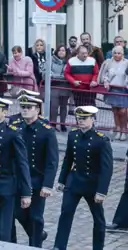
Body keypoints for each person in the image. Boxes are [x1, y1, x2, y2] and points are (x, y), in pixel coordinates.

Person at [53, 105, 114, 250]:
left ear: (92, 120)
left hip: (92, 184)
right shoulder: (73, 135)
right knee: (65, 213)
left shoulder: (101, 140)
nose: (80, 121)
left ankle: (98, 247)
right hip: (74, 181)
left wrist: (102, 191)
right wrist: (62, 179)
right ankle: (59, 246)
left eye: (84, 118)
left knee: (98, 219)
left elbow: (107, 169)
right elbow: (68, 159)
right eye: (79, 118)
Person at [0, 95, 32, 242]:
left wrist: (26, 192)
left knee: (2, 231)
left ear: (4, 112)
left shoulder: (12, 133)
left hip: (5, 187)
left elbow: (22, 163)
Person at [10, 94, 57, 248]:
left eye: (29, 107)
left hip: (36, 179)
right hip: (18, 179)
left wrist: (47, 185)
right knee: (18, 213)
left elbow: (52, 161)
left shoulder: (46, 131)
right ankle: (37, 234)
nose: (25, 110)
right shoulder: (15, 126)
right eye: (23, 107)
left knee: (36, 217)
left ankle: (35, 245)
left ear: (37, 109)